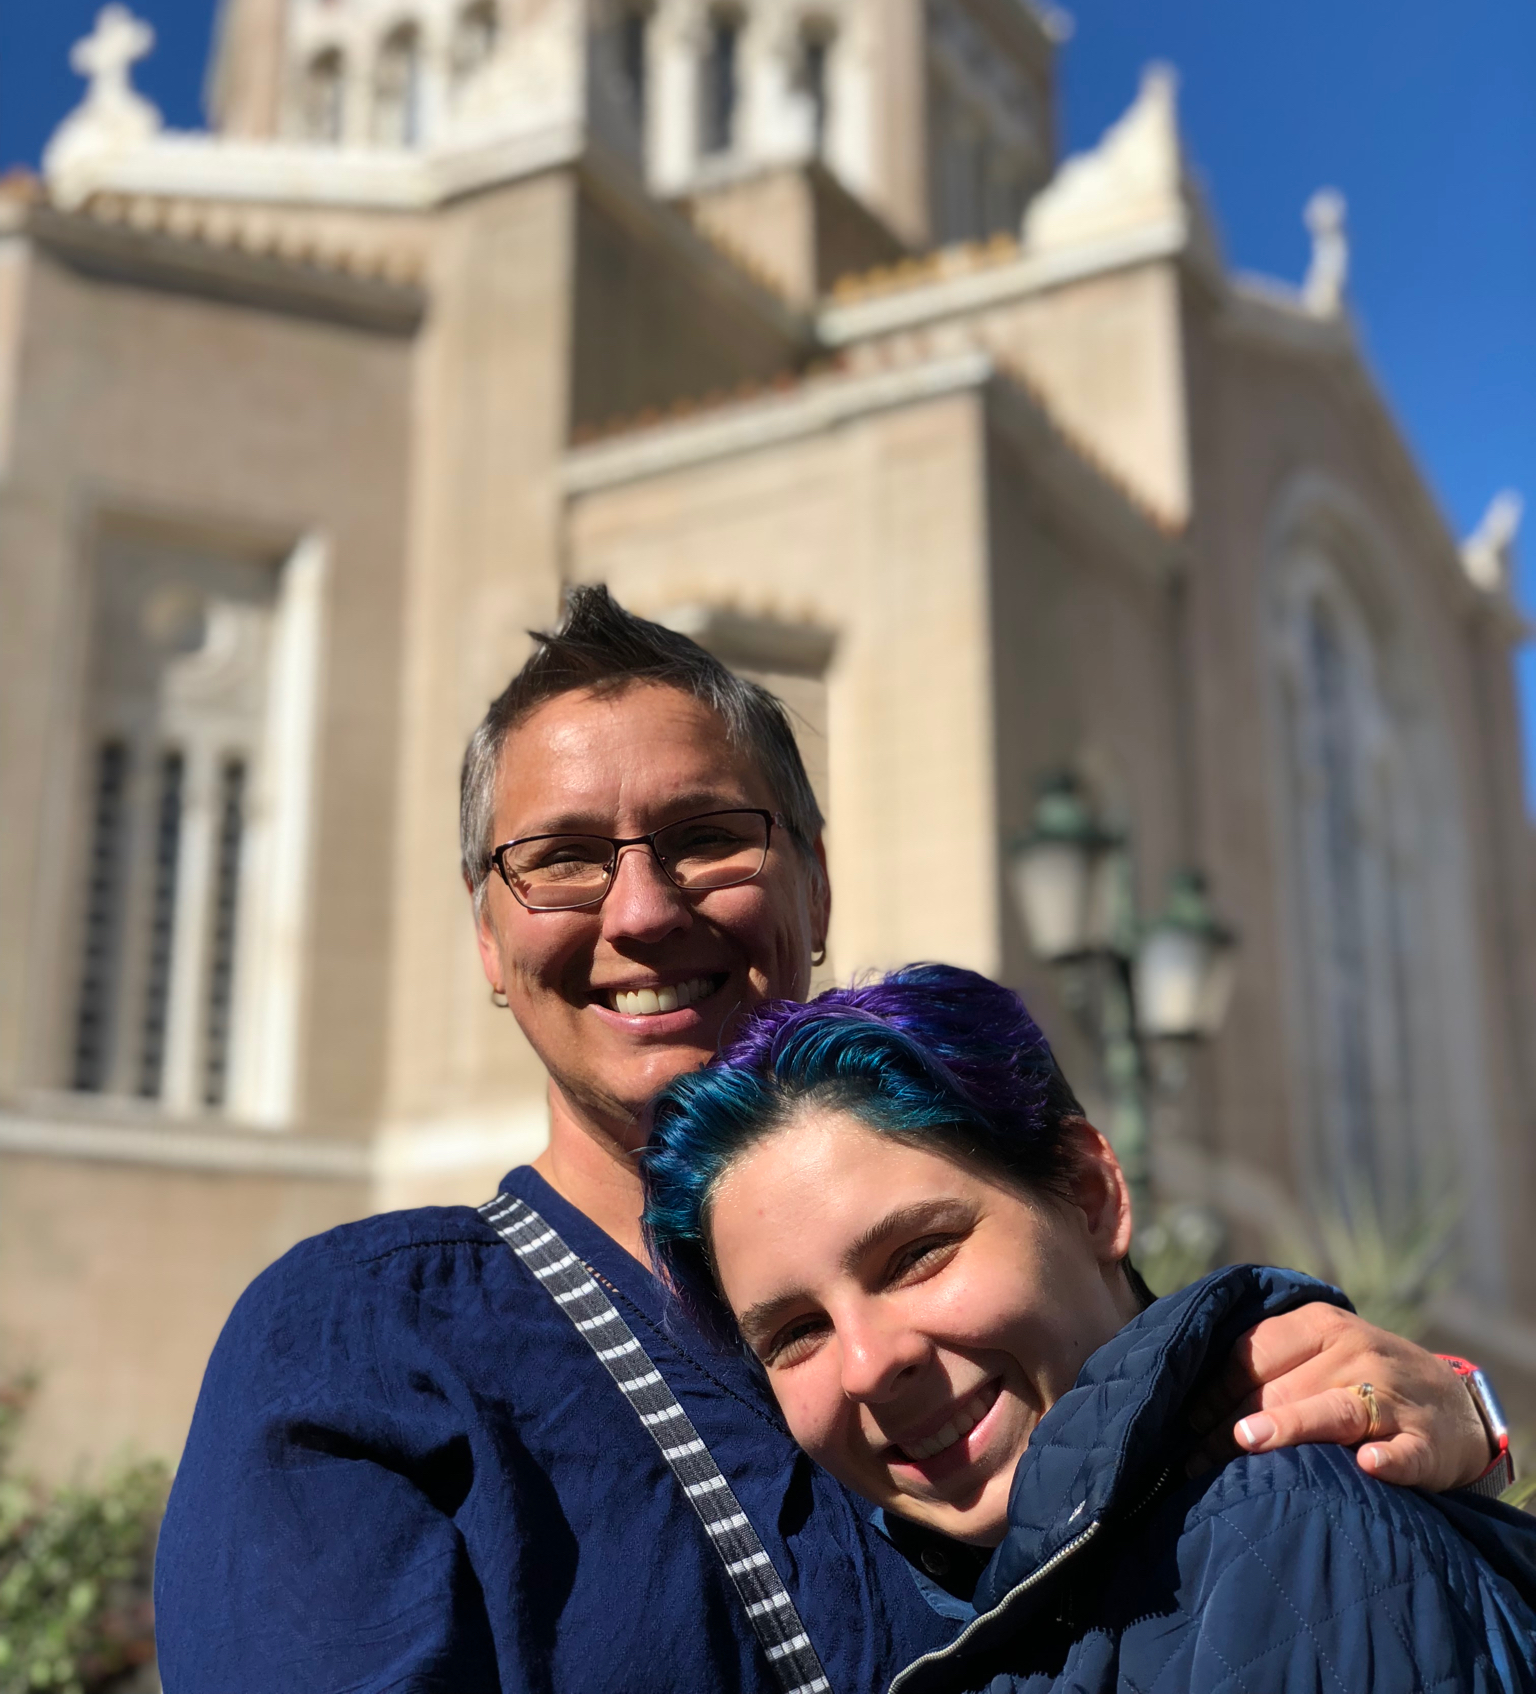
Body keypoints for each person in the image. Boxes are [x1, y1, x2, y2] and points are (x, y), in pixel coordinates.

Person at [155, 588, 1507, 1693]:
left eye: (706, 839)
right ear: (490, 942)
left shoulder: (1037, 1331)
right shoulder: (363, 1353)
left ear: (814, 882)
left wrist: (1446, 1430)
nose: (640, 910)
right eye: (562, 858)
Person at [643, 965, 1536, 1694]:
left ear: (1089, 1194)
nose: (870, 1366)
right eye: (796, 1333)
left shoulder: (1262, 1535)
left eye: (919, 1255)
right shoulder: (973, 1589)